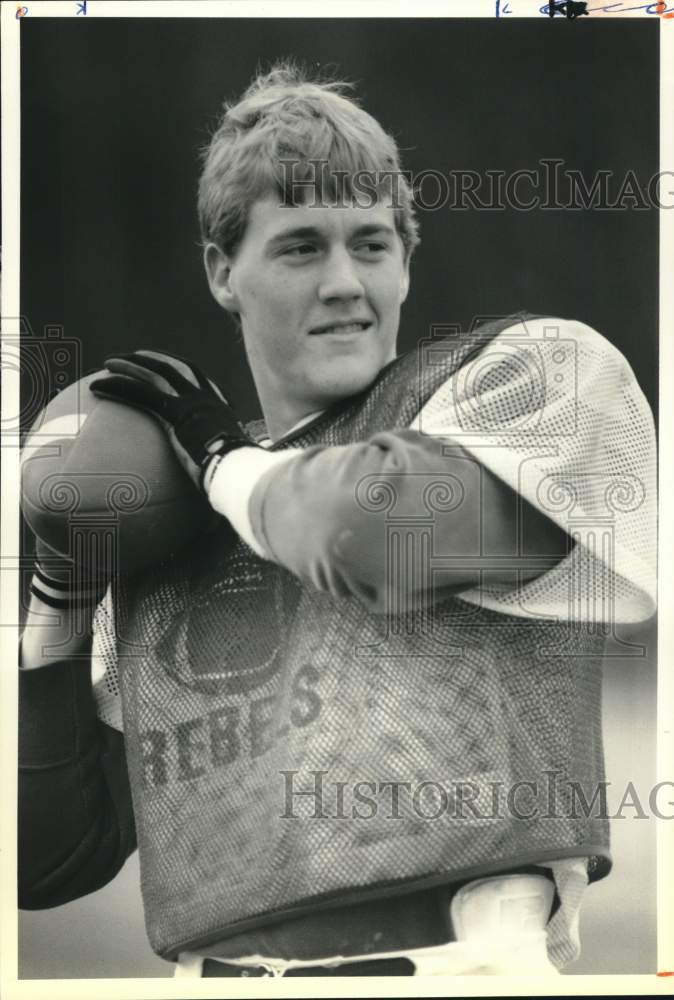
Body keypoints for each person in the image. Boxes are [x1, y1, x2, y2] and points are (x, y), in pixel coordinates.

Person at [19, 62, 656, 978]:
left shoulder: (524, 383)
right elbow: (45, 864)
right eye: (301, 246)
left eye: (371, 244)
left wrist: (221, 461)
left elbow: (361, 533)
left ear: (408, 262)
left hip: (462, 969)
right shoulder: (182, 512)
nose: (345, 281)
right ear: (220, 271)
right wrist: (57, 604)